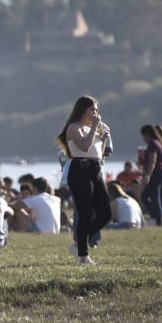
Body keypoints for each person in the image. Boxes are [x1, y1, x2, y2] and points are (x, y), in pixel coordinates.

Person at [56, 95, 111, 265]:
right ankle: (83, 256)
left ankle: (79, 243)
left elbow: (98, 153)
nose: (95, 113)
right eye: (91, 109)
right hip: (80, 170)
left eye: (96, 110)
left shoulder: (93, 127)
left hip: (96, 169)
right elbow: (84, 146)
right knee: (85, 213)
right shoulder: (73, 127)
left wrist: (103, 138)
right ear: (82, 110)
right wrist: (95, 127)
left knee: (105, 214)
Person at [138, 124, 162, 227]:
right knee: (146, 196)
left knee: (154, 198)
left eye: (143, 136)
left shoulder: (152, 144)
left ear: (147, 134)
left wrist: (147, 176)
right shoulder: (158, 143)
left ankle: (158, 222)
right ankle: (155, 216)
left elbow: (152, 162)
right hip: (161, 173)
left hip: (156, 174)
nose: (143, 139)